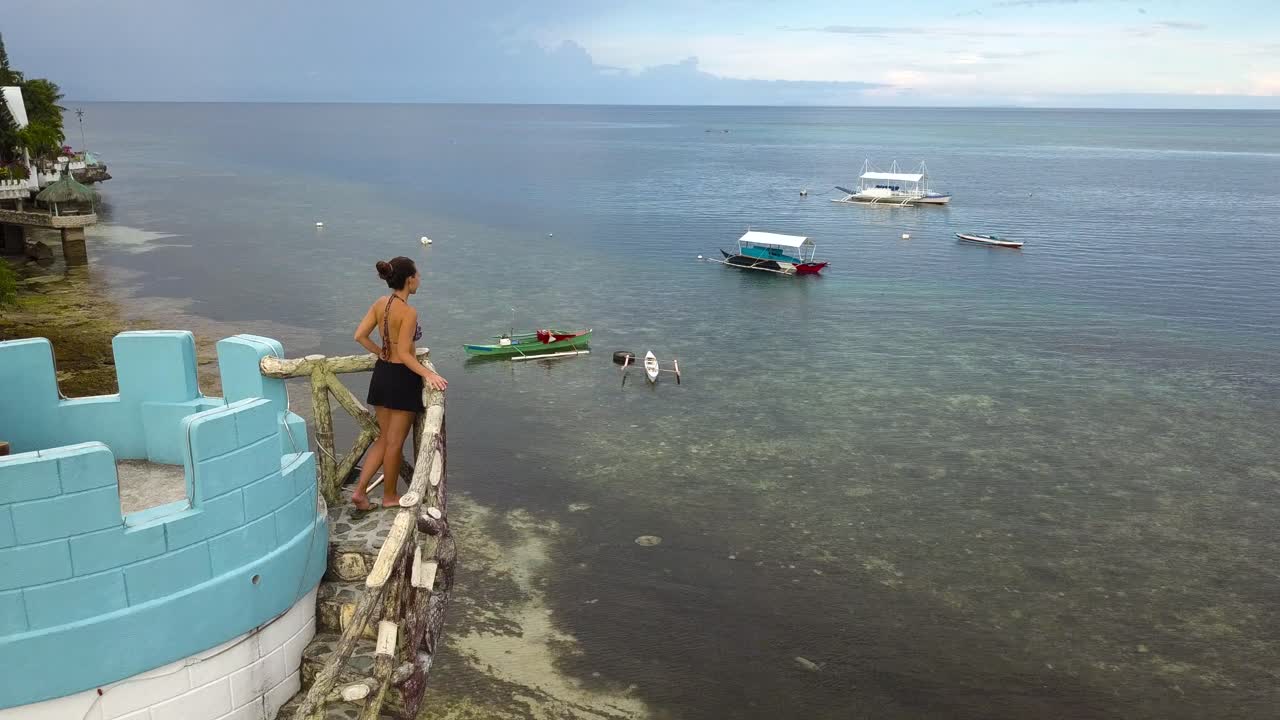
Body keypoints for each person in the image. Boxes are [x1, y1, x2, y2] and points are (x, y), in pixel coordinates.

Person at [351, 256, 447, 509]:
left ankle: (360, 492)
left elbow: (359, 335)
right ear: (409, 279)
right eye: (417, 275)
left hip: (382, 374)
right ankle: (389, 496)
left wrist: (380, 352)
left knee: (383, 439)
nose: (419, 279)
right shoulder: (408, 312)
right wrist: (429, 375)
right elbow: (405, 354)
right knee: (394, 443)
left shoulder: (381, 303)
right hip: (402, 379)